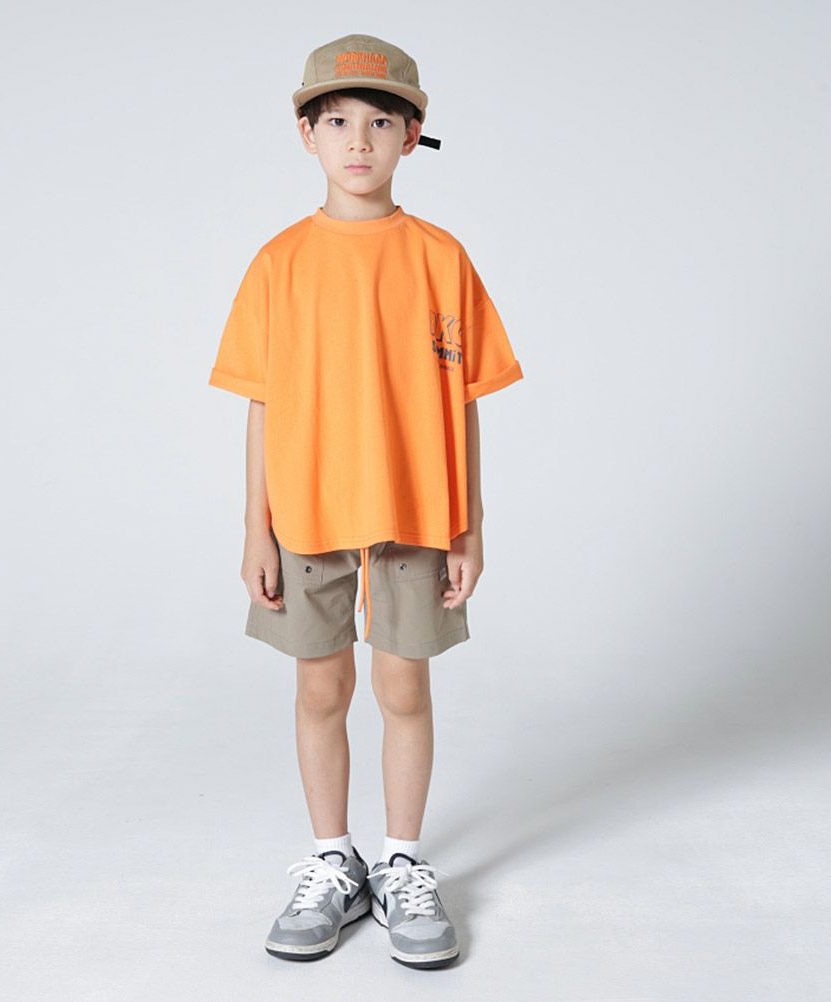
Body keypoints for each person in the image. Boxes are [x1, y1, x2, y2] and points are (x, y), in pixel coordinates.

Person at [208, 32, 524, 970]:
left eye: (380, 123)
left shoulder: (439, 257)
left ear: (410, 135)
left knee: (402, 687)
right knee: (320, 688)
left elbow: (464, 403)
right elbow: (262, 405)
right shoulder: (279, 262)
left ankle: (403, 863)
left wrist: (469, 525)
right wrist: (255, 528)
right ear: (306, 135)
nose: (358, 141)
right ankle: (330, 861)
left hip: (415, 513)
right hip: (304, 513)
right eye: (338, 121)